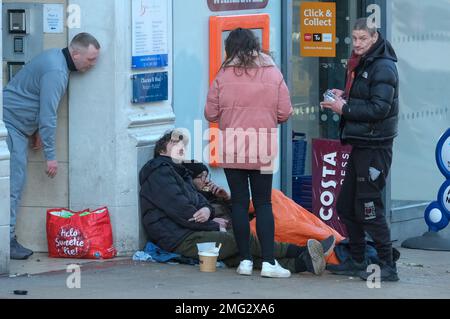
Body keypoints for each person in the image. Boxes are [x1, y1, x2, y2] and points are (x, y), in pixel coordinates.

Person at [139, 130, 335, 278]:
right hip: (178, 237)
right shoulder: (160, 172)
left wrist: (207, 209)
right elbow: (183, 212)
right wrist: (214, 223)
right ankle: (302, 251)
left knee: (239, 255)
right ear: (163, 150)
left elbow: (200, 202)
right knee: (240, 242)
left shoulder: (179, 173)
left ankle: (303, 263)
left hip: (188, 232)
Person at [204, 28, 294, 277]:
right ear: (255, 46)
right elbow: (285, 112)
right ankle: (268, 263)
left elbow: (210, 114)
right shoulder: (273, 71)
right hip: (262, 148)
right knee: (263, 203)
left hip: (232, 145)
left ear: (230, 49)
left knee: (240, 204)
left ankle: (244, 261)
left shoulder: (223, 75)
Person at [3, 33, 101, 260]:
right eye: (90, 59)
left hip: (16, 125)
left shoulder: (55, 59)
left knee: (11, 184)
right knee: (12, 185)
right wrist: (51, 156)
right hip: (10, 125)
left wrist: (35, 130)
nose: (93, 65)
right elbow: (48, 115)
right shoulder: (57, 71)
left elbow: (34, 97)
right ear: (75, 53)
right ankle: (5, 241)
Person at [320, 18, 399, 282]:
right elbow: (367, 98)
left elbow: (380, 109)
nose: (357, 44)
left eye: (362, 38)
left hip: (375, 148)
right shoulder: (363, 62)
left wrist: (344, 108)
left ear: (375, 37)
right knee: (345, 206)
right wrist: (344, 96)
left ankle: (388, 266)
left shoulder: (384, 66)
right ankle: (356, 260)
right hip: (362, 144)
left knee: (368, 207)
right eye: (354, 38)